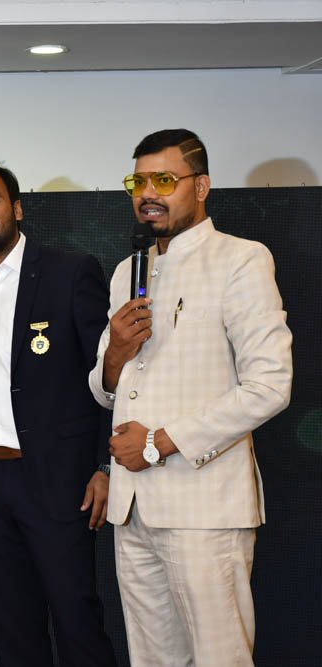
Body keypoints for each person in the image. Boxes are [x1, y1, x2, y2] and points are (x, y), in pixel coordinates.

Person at [89, 129, 293, 666]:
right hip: (133, 509)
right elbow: (107, 389)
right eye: (137, 181)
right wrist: (115, 356)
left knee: (219, 657)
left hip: (205, 507)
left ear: (200, 186)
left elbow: (270, 385)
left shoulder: (240, 260)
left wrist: (159, 442)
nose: (147, 193)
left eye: (164, 180)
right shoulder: (127, 272)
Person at [0, 158, 117, 666]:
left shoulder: (70, 272)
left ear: (16, 209)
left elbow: (112, 374)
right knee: (13, 627)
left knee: (76, 619)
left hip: (60, 480)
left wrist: (105, 466)